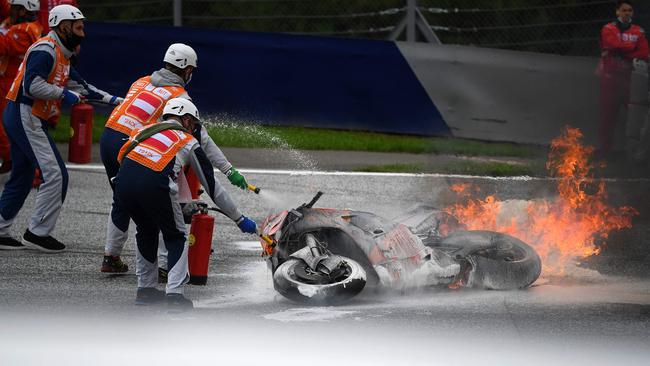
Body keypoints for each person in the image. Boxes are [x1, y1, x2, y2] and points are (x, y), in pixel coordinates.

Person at [100, 43, 249, 274]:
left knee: (121, 199)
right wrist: (229, 170)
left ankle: (111, 256)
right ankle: (163, 264)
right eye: (192, 71)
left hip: (108, 138)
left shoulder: (141, 81)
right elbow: (203, 141)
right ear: (187, 70)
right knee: (163, 202)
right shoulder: (180, 97)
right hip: (137, 148)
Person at [0, 4, 122, 251]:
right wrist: (62, 94)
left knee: (22, 176)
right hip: (25, 113)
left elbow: (84, 88)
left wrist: (117, 101)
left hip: (24, 115)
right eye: (79, 27)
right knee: (56, 174)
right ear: (64, 27)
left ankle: (1, 227)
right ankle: (37, 232)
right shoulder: (46, 50)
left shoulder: (62, 53)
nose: (83, 33)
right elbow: (31, 86)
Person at [114, 97, 257, 308]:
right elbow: (212, 187)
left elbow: (124, 157)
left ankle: (145, 290)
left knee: (146, 231)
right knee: (177, 237)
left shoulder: (144, 131)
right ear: (187, 119)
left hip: (123, 183)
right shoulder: (186, 140)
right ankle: (175, 294)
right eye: (194, 124)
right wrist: (239, 218)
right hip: (155, 183)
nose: (194, 129)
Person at [598, 0, 649, 154]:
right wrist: (631, 50)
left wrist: (621, 51)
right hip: (610, 78)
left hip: (630, 79)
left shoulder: (638, 31)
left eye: (630, 10)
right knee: (608, 116)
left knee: (635, 115)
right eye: (624, 10)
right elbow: (611, 44)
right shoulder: (608, 28)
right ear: (617, 12)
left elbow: (644, 53)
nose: (627, 13)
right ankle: (606, 150)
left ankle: (633, 152)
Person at [0, 1, 43, 174]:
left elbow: (3, 47)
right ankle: (11, 160)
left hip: (12, 82)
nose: (11, 13)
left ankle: (29, 169)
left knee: (8, 125)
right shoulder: (32, 26)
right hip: (17, 80)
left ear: (23, 10)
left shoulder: (22, 31)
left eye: (14, 9)